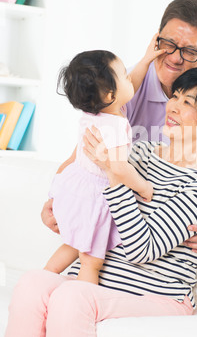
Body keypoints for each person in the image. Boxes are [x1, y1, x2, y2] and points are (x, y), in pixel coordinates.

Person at [3, 65, 197, 337]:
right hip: (99, 286)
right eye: (176, 96)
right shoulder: (138, 151)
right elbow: (88, 192)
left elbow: (142, 249)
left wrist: (116, 176)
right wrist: (58, 205)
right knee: (32, 283)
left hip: (157, 296)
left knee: (73, 297)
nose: (174, 107)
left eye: (187, 102)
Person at [41, 0, 197, 255]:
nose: (174, 58)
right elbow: (84, 152)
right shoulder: (124, 86)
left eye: (190, 51)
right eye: (168, 44)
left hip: (186, 208)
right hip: (132, 205)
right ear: (156, 39)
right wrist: (54, 199)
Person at [44, 47, 164, 284]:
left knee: (72, 242)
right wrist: (144, 188)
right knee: (91, 260)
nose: (131, 78)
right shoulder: (116, 127)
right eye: (125, 76)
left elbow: (132, 85)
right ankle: (83, 300)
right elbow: (118, 168)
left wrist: (147, 59)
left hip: (74, 186)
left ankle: (43, 278)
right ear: (110, 95)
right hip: (95, 196)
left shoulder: (94, 113)